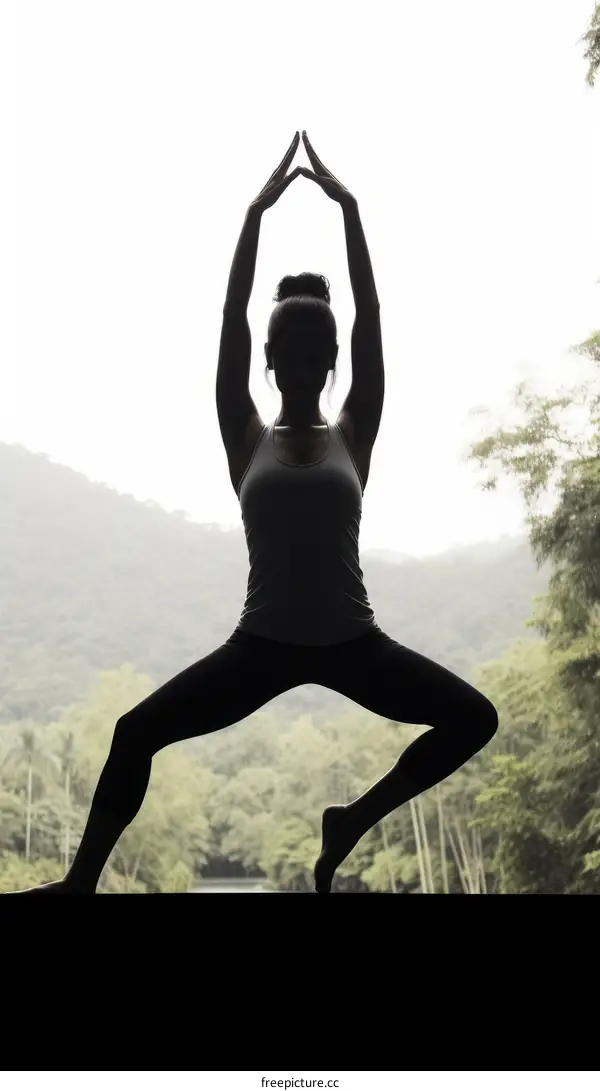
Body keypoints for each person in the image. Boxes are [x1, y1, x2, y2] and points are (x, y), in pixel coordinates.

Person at [4, 131, 498, 895]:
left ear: (330, 365)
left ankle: (352, 819)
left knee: (474, 718)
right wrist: (254, 212)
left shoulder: (354, 433)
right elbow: (231, 313)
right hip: (260, 645)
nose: (300, 369)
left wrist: (350, 207)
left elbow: (370, 312)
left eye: (315, 358)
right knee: (134, 733)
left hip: (353, 642)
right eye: (286, 356)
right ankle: (78, 885)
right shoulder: (244, 435)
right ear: (268, 362)